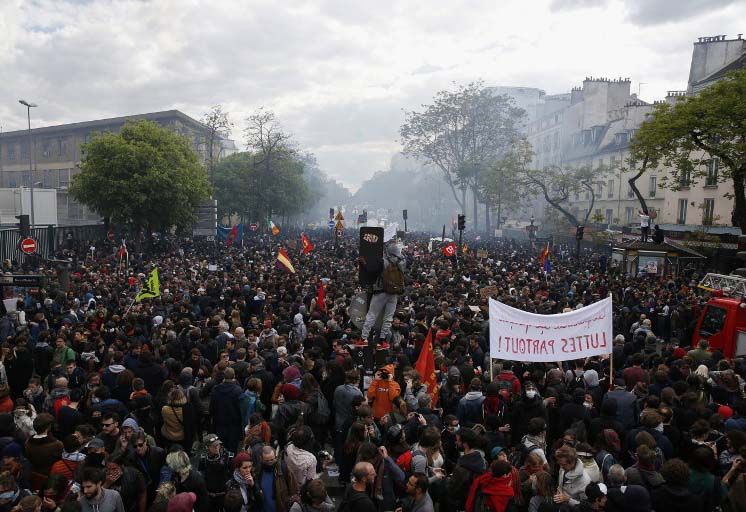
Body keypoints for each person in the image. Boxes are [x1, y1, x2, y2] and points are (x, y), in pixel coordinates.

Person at [360, 241, 406, 348]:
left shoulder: (383, 261)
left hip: (381, 291)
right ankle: (382, 341)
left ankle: (363, 338)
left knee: (372, 315)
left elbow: (371, 271)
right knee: (388, 318)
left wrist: (364, 263)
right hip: (394, 292)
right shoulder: (402, 262)